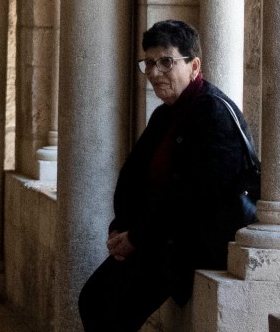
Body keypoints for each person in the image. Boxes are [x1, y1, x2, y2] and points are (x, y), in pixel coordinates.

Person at [77, 19, 261, 332]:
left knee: (104, 306)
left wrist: (136, 238)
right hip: (159, 239)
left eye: (166, 62)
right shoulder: (165, 114)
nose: (154, 72)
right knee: (94, 301)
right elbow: (134, 176)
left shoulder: (213, 114)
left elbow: (196, 199)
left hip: (190, 244)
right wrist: (121, 226)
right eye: (149, 63)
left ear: (194, 65)